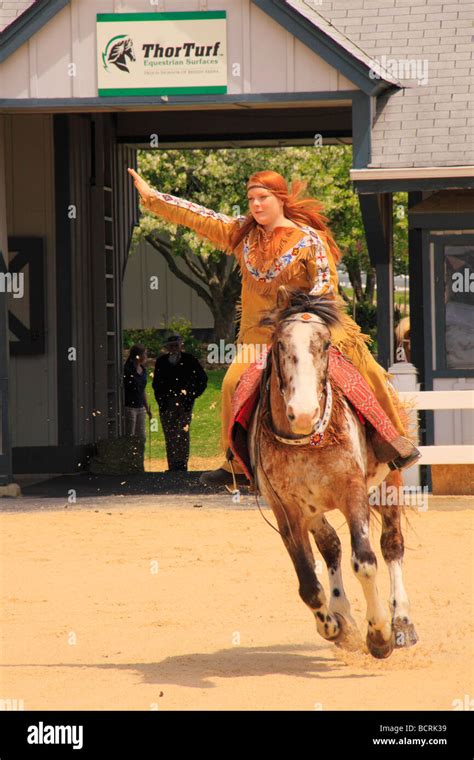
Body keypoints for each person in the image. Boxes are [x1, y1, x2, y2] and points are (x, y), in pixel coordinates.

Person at [128, 167, 420, 486]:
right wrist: (154, 198)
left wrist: (298, 312)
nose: (255, 205)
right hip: (260, 338)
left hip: (311, 328)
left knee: (368, 372)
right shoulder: (241, 234)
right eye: (251, 198)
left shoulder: (310, 240)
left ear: (280, 199)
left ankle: (392, 440)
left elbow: (326, 286)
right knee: (229, 384)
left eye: (262, 198)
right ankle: (236, 463)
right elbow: (199, 215)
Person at [152, 333, 208, 471]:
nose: (174, 348)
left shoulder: (190, 360)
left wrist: (193, 395)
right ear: (167, 348)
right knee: (169, 433)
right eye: (171, 346)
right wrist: (161, 401)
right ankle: (172, 464)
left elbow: (202, 379)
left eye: (176, 345)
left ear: (180, 345)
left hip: (185, 402)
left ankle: (182, 464)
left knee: (183, 433)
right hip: (167, 402)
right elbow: (156, 384)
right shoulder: (161, 362)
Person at [123, 344, 152, 440]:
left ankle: (139, 455)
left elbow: (142, 390)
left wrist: (147, 408)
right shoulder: (127, 369)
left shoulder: (143, 370)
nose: (146, 356)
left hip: (140, 408)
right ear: (138, 356)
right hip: (130, 408)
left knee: (141, 437)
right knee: (130, 436)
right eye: (145, 354)